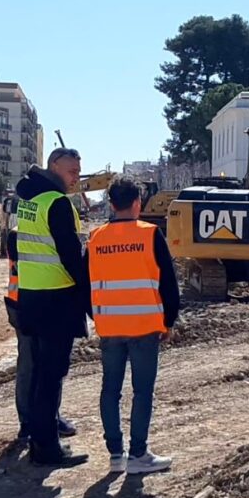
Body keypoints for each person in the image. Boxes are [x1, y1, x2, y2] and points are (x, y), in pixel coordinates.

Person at [88, 176, 180, 475]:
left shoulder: (96, 238)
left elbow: (84, 287)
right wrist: (168, 322)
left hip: (110, 327)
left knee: (110, 391)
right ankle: (138, 453)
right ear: (138, 203)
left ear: (111, 204)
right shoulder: (150, 234)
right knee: (142, 391)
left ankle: (116, 454)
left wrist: (97, 315)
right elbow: (169, 284)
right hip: (144, 327)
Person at [14, 147, 90, 467]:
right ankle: (47, 448)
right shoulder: (56, 203)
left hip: (31, 294)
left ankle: (39, 431)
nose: (76, 177)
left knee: (40, 372)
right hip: (56, 296)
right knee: (50, 374)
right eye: (72, 171)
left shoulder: (29, 200)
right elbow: (72, 257)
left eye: (78, 171)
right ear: (54, 166)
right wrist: (89, 298)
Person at [4, 230, 76, 446]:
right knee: (30, 364)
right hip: (25, 303)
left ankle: (50, 418)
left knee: (49, 365)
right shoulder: (20, 236)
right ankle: (28, 423)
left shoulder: (33, 232)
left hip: (38, 301)